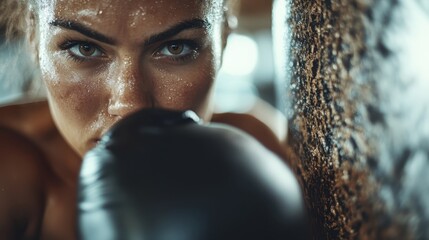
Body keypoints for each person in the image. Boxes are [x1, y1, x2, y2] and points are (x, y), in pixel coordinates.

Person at [0, 0, 289, 239]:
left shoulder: (261, 148)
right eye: (85, 48)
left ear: (223, 41)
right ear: (34, 40)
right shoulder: (9, 169)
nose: (130, 106)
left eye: (175, 48)